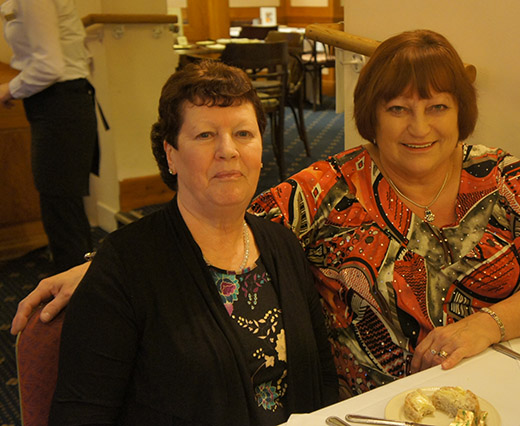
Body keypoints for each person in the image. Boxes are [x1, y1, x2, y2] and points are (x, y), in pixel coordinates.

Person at [13, 30, 520, 400]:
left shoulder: (502, 176)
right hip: (377, 407)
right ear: (371, 116)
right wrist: (101, 266)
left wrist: (485, 325)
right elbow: (212, 224)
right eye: (398, 109)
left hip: (497, 385)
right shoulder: (328, 190)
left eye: (437, 107)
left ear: (460, 113)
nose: (419, 128)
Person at [47, 61, 337, 425]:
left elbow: (323, 378)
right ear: (171, 154)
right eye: (205, 135)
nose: (228, 150)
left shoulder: (283, 246)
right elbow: (79, 416)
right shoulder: (124, 268)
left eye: (243, 133)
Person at [0, 0, 99, 272]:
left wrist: (9, 89)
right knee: (62, 206)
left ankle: (76, 287)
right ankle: (79, 281)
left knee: (61, 209)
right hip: (57, 103)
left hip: (60, 104)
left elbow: (49, 67)